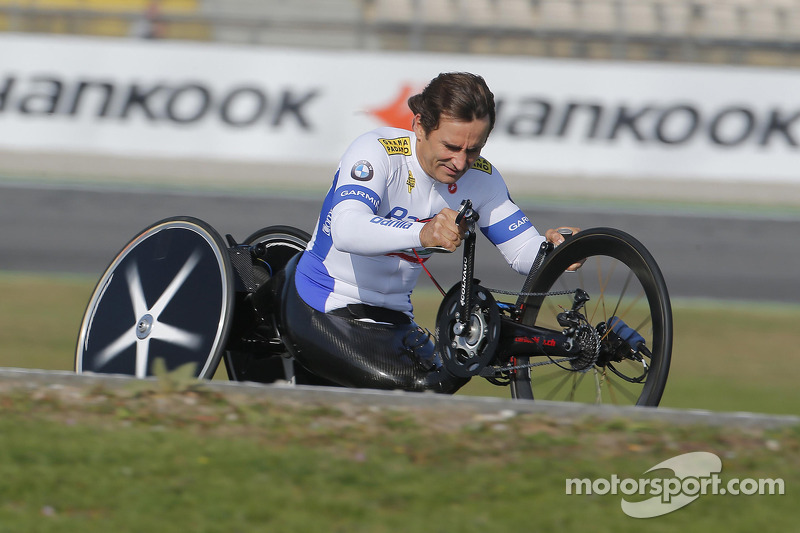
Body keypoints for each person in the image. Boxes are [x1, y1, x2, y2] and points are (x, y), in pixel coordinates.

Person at [280, 72, 578, 393]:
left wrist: (558, 251)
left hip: (394, 318)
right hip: (322, 305)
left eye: (473, 150)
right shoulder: (377, 152)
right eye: (450, 146)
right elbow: (346, 229)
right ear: (420, 126)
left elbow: (523, 252)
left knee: (450, 379)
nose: (461, 162)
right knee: (421, 391)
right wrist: (423, 233)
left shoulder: (483, 179)